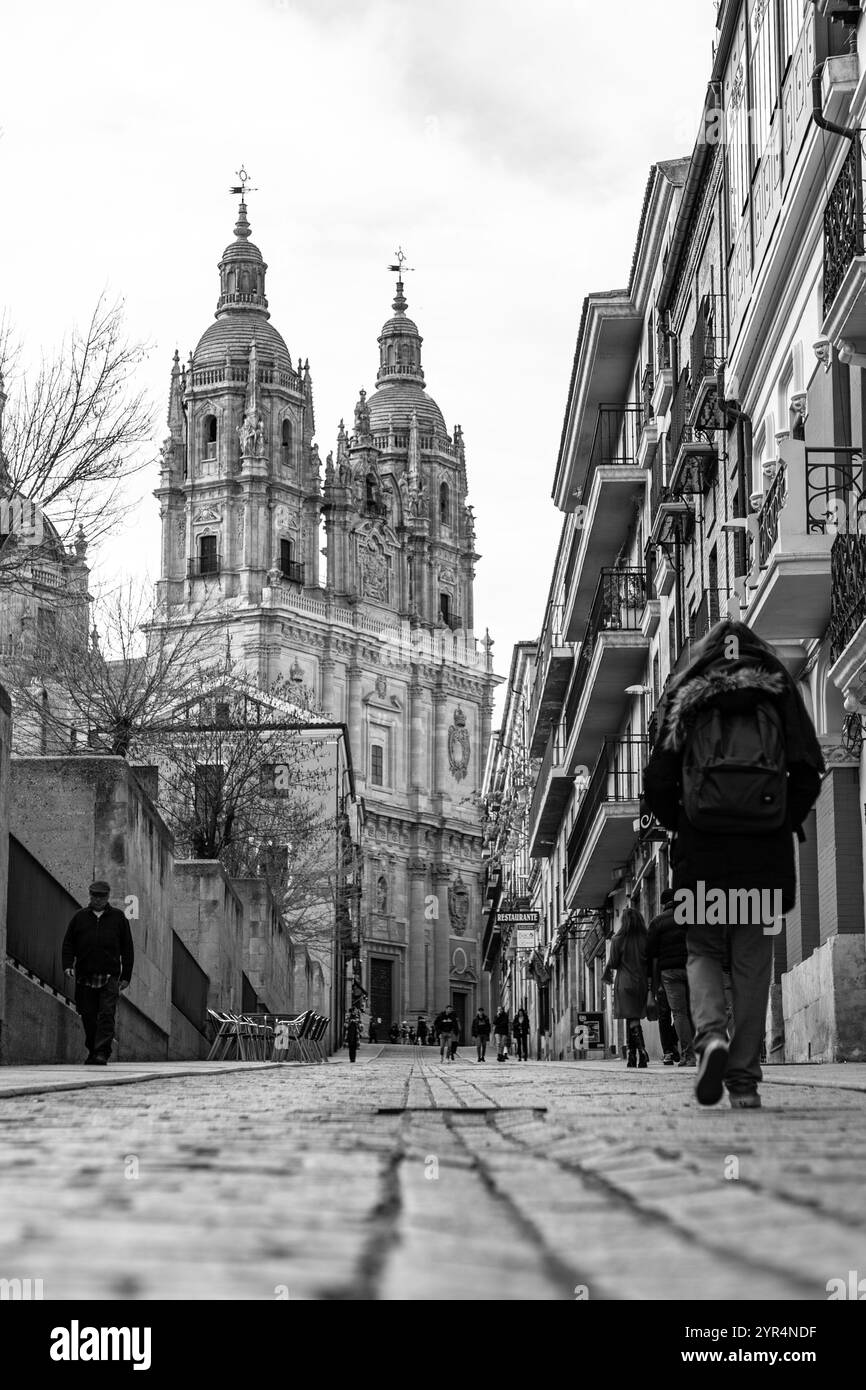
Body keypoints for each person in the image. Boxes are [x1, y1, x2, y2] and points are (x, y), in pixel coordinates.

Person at [643, 619, 823, 1109]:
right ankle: (743, 1079)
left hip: (702, 850)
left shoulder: (686, 695)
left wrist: (681, 821)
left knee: (701, 948)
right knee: (751, 961)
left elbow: (657, 779)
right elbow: (809, 769)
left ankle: (711, 1039)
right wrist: (781, 819)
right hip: (761, 851)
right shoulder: (778, 691)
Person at [62, 880, 134, 1065]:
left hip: (109, 975)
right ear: (90, 895)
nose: (98, 900)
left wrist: (126, 975)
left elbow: (127, 948)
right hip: (85, 974)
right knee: (88, 1014)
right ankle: (93, 1049)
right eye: (95, 896)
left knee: (107, 1014)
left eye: (102, 896)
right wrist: (68, 964)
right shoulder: (80, 917)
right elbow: (68, 943)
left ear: (108, 897)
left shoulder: (118, 918)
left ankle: (102, 1052)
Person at [646, 887, 695, 1066]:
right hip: (691, 968)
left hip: (669, 972)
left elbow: (651, 954)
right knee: (692, 1012)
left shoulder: (657, 922)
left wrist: (652, 982)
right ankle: (694, 1052)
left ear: (663, 904)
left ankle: (688, 1056)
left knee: (679, 1013)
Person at [602, 906, 650, 1067]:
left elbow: (614, 963)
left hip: (625, 982)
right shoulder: (646, 938)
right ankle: (631, 1055)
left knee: (632, 1019)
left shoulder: (617, 939)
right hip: (641, 983)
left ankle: (641, 1051)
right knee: (633, 1018)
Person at [656, 983, 680, 1065]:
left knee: (682, 1014)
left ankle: (671, 1042)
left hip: (683, 977)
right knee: (664, 1015)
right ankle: (668, 1051)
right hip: (662, 978)